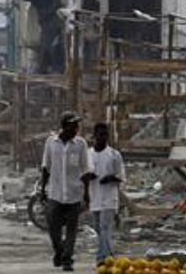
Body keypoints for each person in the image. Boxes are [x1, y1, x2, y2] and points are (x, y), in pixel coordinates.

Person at [40, 111, 94, 272]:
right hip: (55, 193)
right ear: (65, 127)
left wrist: (86, 193)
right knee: (53, 229)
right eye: (74, 125)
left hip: (74, 193)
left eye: (77, 125)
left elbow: (85, 169)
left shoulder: (81, 144)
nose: (77, 128)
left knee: (71, 229)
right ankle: (59, 251)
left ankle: (67, 259)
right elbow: (45, 167)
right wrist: (43, 190)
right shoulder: (51, 143)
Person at [88, 123, 125, 266]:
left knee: (105, 227)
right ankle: (109, 255)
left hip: (110, 197)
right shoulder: (88, 154)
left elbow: (121, 176)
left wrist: (110, 178)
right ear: (95, 136)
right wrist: (88, 176)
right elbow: (83, 172)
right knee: (98, 228)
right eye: (100, 134)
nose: (103, 137)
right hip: (94, 196)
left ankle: (101, 258)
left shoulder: (114, 155)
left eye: (105, 134)